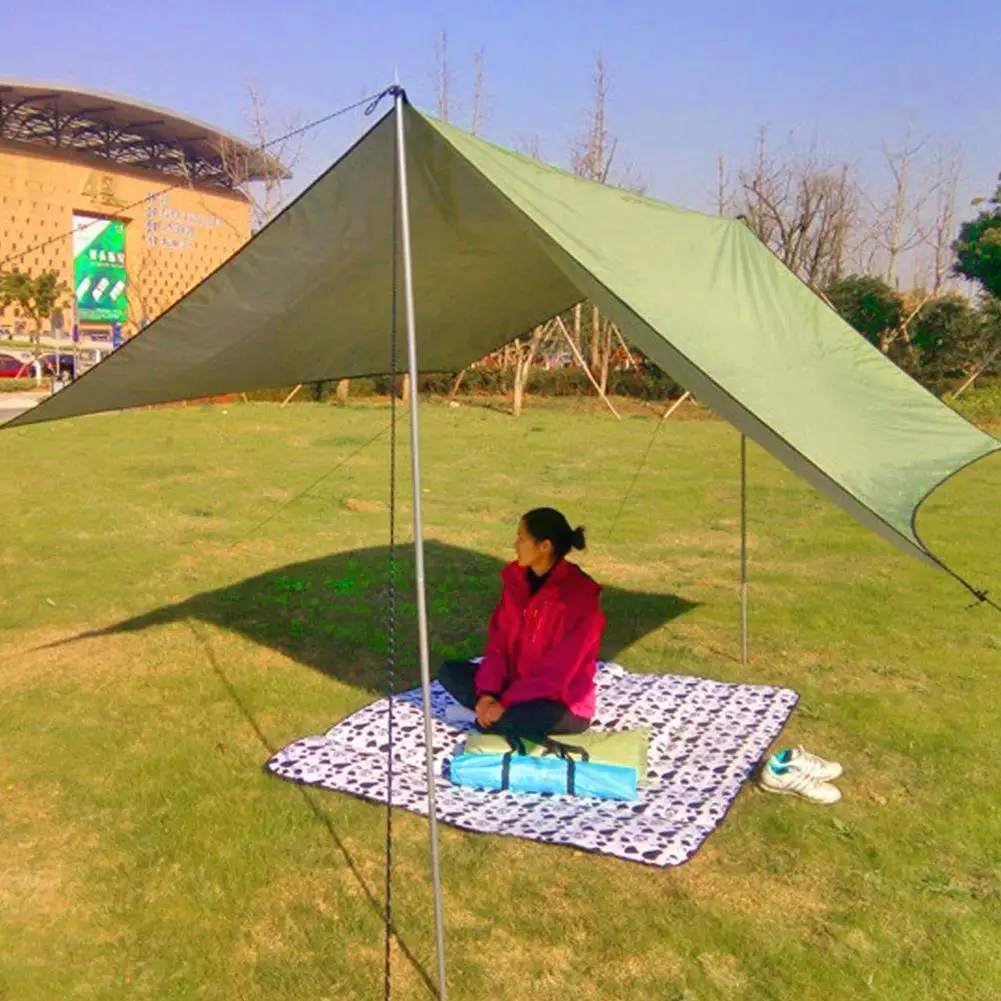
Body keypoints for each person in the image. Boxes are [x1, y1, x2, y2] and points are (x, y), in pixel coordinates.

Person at [438, 507, 605, 739]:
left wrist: (506, 703)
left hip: (558, 699)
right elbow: (498, 645)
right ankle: (490, 714)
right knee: (450, 672)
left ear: (544, 546)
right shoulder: (516, 581)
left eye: (521, 539)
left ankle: (489, 718)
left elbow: (557, 672)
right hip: (515, 684)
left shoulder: (579, 595)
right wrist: (487, 694)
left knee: (523, 717)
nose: (515, 545)